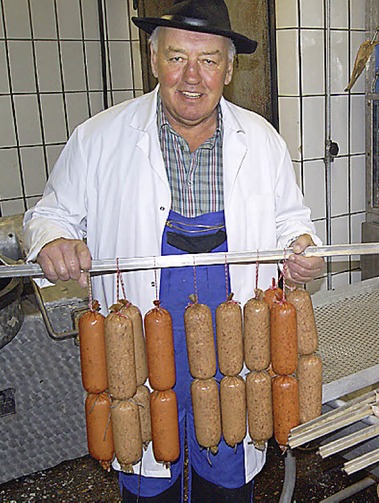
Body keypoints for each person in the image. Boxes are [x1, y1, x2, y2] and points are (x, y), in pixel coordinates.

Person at [22, 0, 324, 501]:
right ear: (153, 58)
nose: (192, 76)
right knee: (147, 474)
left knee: (227, 471)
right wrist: (54, 239)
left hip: (236, 346)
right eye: (177, 56)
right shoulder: (99, 137)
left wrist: (303, 248)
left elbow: (292, 221)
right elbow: (51, 213)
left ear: (229, 69)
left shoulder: (263, 140)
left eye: (208, 61)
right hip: (138, 341)